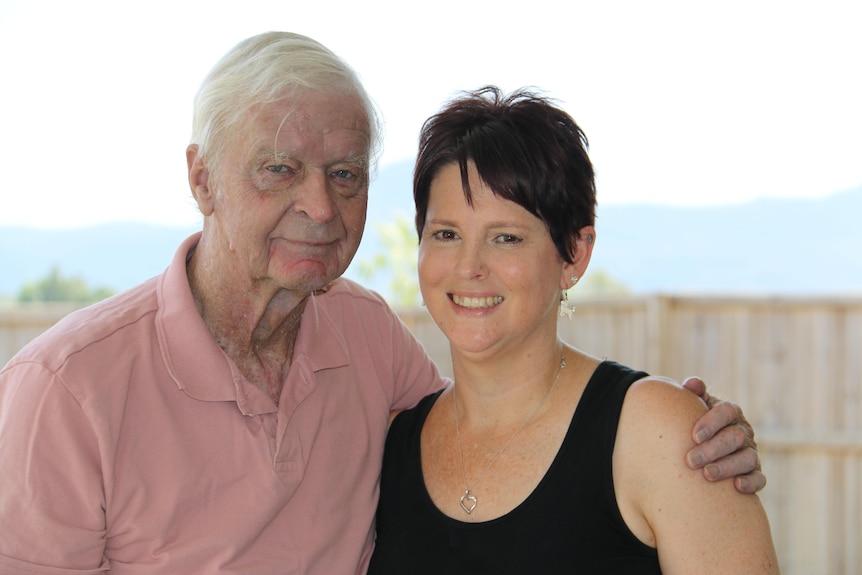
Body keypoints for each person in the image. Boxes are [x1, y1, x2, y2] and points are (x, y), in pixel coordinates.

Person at [0, 33, 761, 575]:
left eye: (344, 174)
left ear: (574, 254)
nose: (321, 208)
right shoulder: (66, 389)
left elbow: (527, 440)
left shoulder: (367, 340)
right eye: (279, 168)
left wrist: (686, 429)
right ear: (201, 179)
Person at [368, 87, 779, 574]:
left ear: (575, 255)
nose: (469, 266)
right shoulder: (389, 444)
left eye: (506, 238)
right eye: (446, 234)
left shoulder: (661, 434)